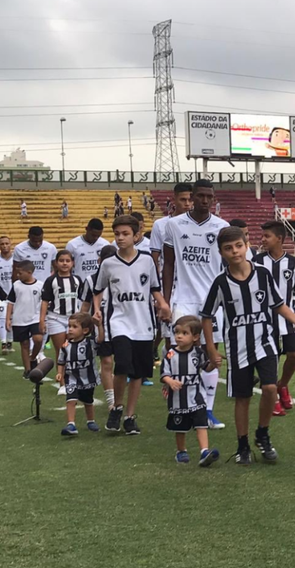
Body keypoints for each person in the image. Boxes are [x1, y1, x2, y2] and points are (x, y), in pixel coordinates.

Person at [201, 226, 295, 465]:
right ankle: (243, 444)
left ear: (246, 246)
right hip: (238, 348)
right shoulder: (221, 283)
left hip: (265, 341)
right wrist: (211, 348)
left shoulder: (262, 274)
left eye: (238, 246)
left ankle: (263, 434)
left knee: (270, 388)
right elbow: (206, 316)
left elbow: (278, 304)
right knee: (243, 398)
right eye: (228, 248)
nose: (235, 251)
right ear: (221, 252)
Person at [93, 215, 171, 435]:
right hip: (119, 323)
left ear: (136, 236)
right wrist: (97, 309)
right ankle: (116, 407)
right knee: (123, 365)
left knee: (137, 372)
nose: (120, 238)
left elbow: (155, 288)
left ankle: (129, 416)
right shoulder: (108, 264)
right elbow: (97, 290)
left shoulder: (146, 260)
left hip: (143, 324)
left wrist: (163, 304)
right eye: (117, 234)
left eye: (125, 233)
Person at [162, 179, 229, 429]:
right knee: (180, 353)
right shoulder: (174, 225)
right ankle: (182, 407)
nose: (204, 200)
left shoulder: (222, 227)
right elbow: (168, 264)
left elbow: (228, 265)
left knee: (212, 354)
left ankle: (207, 411)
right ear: (192, 197)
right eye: (199, 196)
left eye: (208, 196)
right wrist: (166, 301)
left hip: (213, 300)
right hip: (183, 299)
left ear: (213, 198)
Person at [254, 220, 295, 416]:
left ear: (280, 239)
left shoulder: (293, 263)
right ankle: (273, 398)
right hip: (265, 320)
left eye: (267, 236)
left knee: (294, 354)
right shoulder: (257, 262)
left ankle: (282, 385)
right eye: (262, 236)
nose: (263, 239)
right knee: (271, 359)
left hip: (289, 318)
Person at [160, 315, 221, 466]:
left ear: (195, 337)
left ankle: (204, 452)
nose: (179, 336)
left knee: (201, 424)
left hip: (197, 397)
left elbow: (206, 368)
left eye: (184, 333)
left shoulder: (198, 353)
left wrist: (214, 363)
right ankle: (181, 451)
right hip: (177, 399)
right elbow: (163, 374)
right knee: (180, 427)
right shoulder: (170, 355)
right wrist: (170, 381)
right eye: (177, 332)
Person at [150, 183, 193, 362]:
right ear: (174, 199)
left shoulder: (198, 224)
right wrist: (158, 294)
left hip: (191, 285)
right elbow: (155, 258)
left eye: (190, 199)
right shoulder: (160, 225)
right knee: (172, 334)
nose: (187, 204)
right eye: (183, 199)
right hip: (169, 286)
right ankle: (170, 368)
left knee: (193, 333)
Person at [78, 245, 118, 410]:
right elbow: (85, 307)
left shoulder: (123, 278)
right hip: (102, 330)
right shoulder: (91, 280)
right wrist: (81, 327)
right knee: (107, 362)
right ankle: (112, 401)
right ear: (99, 261)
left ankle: (117, 394)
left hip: (123, 327)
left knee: (122, 364)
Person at [40, 250, 82, 395]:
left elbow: (82, 300)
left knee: (73, 350)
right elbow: (45, 301)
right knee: (61, 350)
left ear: (72, 263)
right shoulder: (51, 280)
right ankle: (63, 383)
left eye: (67, 261)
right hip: (55, 318)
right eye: (61, 260)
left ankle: (74, 380)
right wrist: (42, 320)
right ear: (56, 263)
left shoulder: (77, 280)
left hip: (73, 319)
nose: (64, 263)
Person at [56, 312, 104, 436]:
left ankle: (91, 421)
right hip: (71, 378)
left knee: (88, 401)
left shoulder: (90, 343)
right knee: (71, 400)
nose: (70, 329)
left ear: (85, 330)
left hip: (88, 378)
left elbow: (101, 339)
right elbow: (61, 361)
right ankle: (71, 424)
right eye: (69, 326)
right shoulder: (65, 346)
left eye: (74, 327)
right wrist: (59, 373)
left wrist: (99, 326)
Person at [6, 260, 45, 377]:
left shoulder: (40, 285)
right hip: (19, 319)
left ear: (29, 272)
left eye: (20, 273)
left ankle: (32, 358)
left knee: (38, 339)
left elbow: (44, 303)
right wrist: (8, 318)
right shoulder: (16, 285)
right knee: (24, 344)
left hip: (35, 318)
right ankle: (28, 370)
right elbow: (10, 302)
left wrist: (44, 319)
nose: (18, 276)